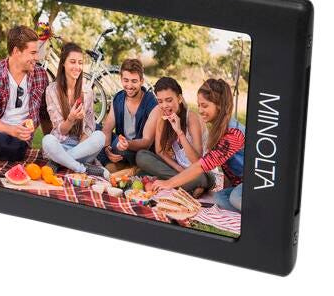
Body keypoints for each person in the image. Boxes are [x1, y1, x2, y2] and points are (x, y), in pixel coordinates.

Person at [154, 79, 245, 212]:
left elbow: (202, 165)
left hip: (254, 184)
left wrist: (169, 183)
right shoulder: (220, 129)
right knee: (219, 198)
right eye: (199, 105)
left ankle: (263, 211)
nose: (200, 110)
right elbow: (227, 169)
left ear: (219, 105)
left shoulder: (234, 135)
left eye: (204, 106)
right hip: (238, 185)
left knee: (235, 198)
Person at [0, 25, 49, 163]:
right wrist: (10, 129)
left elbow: (44, 113)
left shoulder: (40, 75)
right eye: (33, 53)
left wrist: (50, 144)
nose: (37, 57)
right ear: (16, 51)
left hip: (18, 140)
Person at [40, 43, 108, 177]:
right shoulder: (52, 90)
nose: (77, 67)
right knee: (47, 141)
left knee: (100, 136)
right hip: (60, 144)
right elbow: (61, 130)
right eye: (72, 62)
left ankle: (59, 162)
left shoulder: (87, 91)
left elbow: (90, 127)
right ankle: (82, 168)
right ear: (63, 64)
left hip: (81, 147)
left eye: (80, 63)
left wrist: (81, 145)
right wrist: (71, 119)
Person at [134, 77, 212, 192]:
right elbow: (160, 151)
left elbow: (197, 161)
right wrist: (178, 168)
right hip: (178, 168)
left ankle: (185, 183)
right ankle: (186, 184)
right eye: (160, 101)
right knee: (141, 156)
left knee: (201, 178)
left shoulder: (191, 118)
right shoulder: (163, 116)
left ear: (179, 98)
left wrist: (179, 132)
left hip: (199, 171)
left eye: (169, 100)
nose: (164, 105)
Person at [98, 58, 158, 172]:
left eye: (134, 81)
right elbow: (107, 129)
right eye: (126, 80)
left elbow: (147, 142)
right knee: (95, 130)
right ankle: (116, 164)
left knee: (127, 150)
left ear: (141, 81)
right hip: (119, 146)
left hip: (138, 151)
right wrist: (106, 149)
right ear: (121, 79)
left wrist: (126, 144)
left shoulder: (151, 103)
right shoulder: (118, 98)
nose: (129, 86)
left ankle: (117, 166)